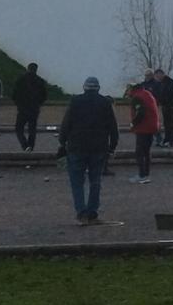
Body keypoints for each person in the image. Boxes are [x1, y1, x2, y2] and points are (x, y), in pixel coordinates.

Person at [55, 75, 118, 225]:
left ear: (84, 87)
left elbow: (66, 124)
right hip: (98, 148)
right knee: (95, 181)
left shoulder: (75, 101)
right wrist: (112, 147)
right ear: (98, 88)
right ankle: (92, 213)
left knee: (77, 182)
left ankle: (81, 212)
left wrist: (62, 142)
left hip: (76, 146)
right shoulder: (105, 103)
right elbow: (113, 127)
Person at [127, 74, 162, 182]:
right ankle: (146, 174)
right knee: (146, 152)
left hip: (143, 128)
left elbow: (140, 113)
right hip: (152, 127)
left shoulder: (137, 97)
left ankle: (141, 175)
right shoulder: (147, 94)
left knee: (140, 152)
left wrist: (133, 123)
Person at [12, 62, 50, 150]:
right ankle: (31, 146)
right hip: (34, 108)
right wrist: (38, 104)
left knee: (19, 128)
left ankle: (24, 144)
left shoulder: (21, 80)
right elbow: (44, 96)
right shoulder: (40, 81)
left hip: (23, 108)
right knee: (32, 129)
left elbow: (15, 95)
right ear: (36, 70)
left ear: (28, 68)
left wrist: (19, 104)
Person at [150, 66, 173, 148]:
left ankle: (170, 140)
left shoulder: (170, 82)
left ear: (161, 74)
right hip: (165, 106)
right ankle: (167, 140)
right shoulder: (162, 83)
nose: (157, 78)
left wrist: (167, 100)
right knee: (166, 124)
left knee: (170, 124)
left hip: (170, 106)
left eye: (158, 76)